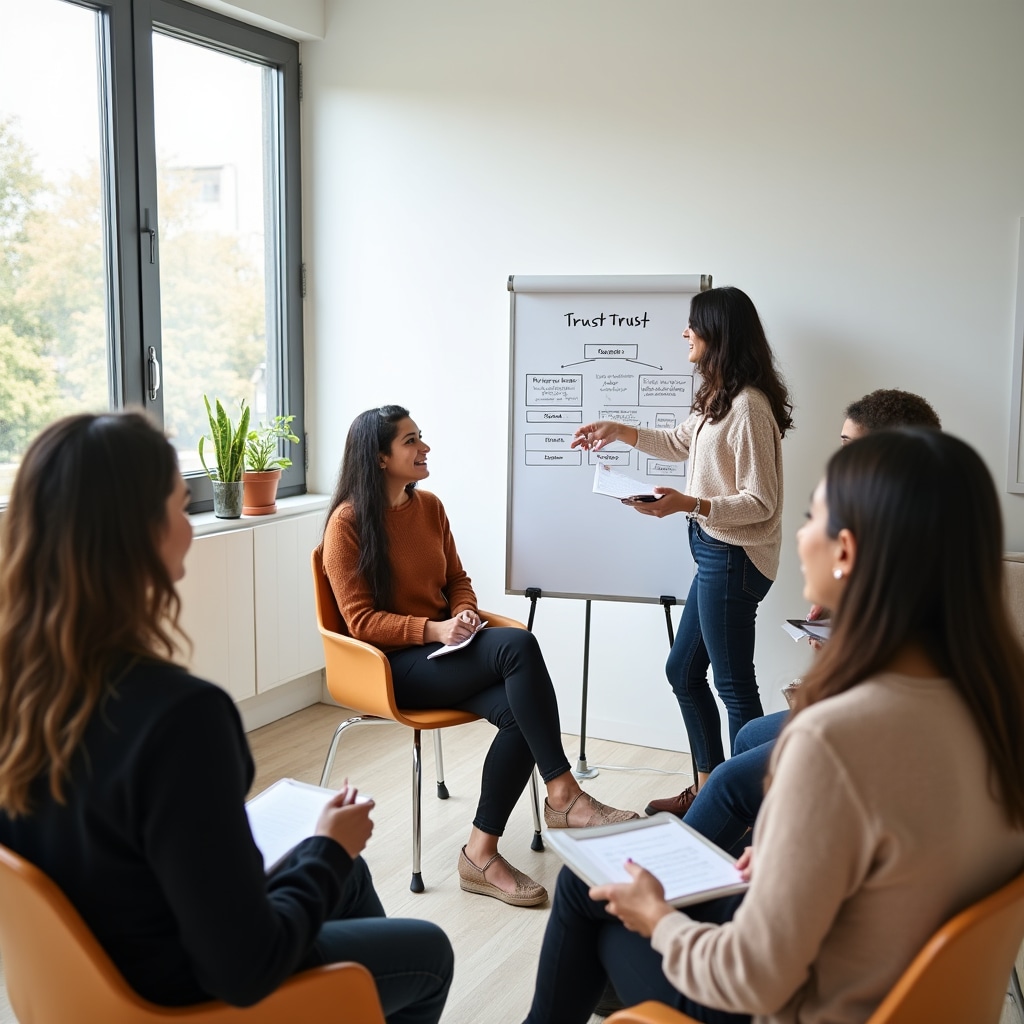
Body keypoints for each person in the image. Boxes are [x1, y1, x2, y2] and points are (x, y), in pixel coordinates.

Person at [524, 428, 1024, 1024]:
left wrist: (657, 919)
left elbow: (752, 981)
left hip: (798, 1004)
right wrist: (803, 859)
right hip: (906, 993)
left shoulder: (833, 739)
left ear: (845, 551)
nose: (799, 534)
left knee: (589, 885)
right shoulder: (995, 703)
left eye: (811, 517)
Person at [0, 412, 454, 1024]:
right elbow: (246, 966)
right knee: (428, 951)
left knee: (346, 875)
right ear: (141, 533)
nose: (189, 524)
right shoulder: (182, 717)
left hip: (91, 976)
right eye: (178, 502)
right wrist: (326, 846)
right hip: (180, 991)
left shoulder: (22, 688)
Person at [320, 405, 638, 908]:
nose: (424, 448)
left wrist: (464, 616)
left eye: (421, 437)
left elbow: (456, 581)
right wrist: (434, 629)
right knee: (518, 645)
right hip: (393, 667)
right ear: (380, 458)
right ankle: (564, 795)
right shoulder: (348, 523)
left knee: (519, 716)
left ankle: (479, 852)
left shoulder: (429, 508)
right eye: (410, 441)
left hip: (447, 651)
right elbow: (359, 622)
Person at [680, 388, 942, 857]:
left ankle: (673, 880)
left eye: (851, 446)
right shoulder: (888, 521)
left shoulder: (915, 546)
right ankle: (761, 840)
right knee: (747, 735)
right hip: (874, 707)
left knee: (725, 781)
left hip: (880, 728)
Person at [573, 285, 793, 816]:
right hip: (716, 554)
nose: (684, 334)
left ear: (718, 334)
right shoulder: (720, 399)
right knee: (683, 672)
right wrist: (618, 430)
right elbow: (677, 442)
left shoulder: (748, 407)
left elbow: (761, 503)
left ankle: (755, 810)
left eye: (693, 326)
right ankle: (710, 785)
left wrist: (688, 503)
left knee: (734, 686)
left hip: (736, 558)